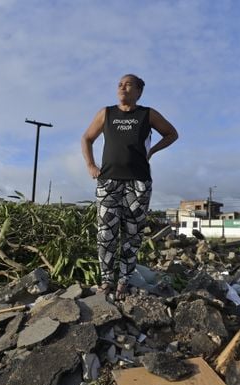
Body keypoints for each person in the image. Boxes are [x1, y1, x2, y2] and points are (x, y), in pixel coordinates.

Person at [81, 74, 179, 299]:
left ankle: (123, 281)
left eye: (128, 84)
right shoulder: (106, 113)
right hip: (108, 182)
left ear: (139, 92)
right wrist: (90, 165)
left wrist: (152, 151)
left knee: (132, 234)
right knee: (106, 233)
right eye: (119, 84)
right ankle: (106, 280)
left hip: (139, 182)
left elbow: (172, 133)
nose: (122, 87)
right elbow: (87, 138)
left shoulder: (147, 114)